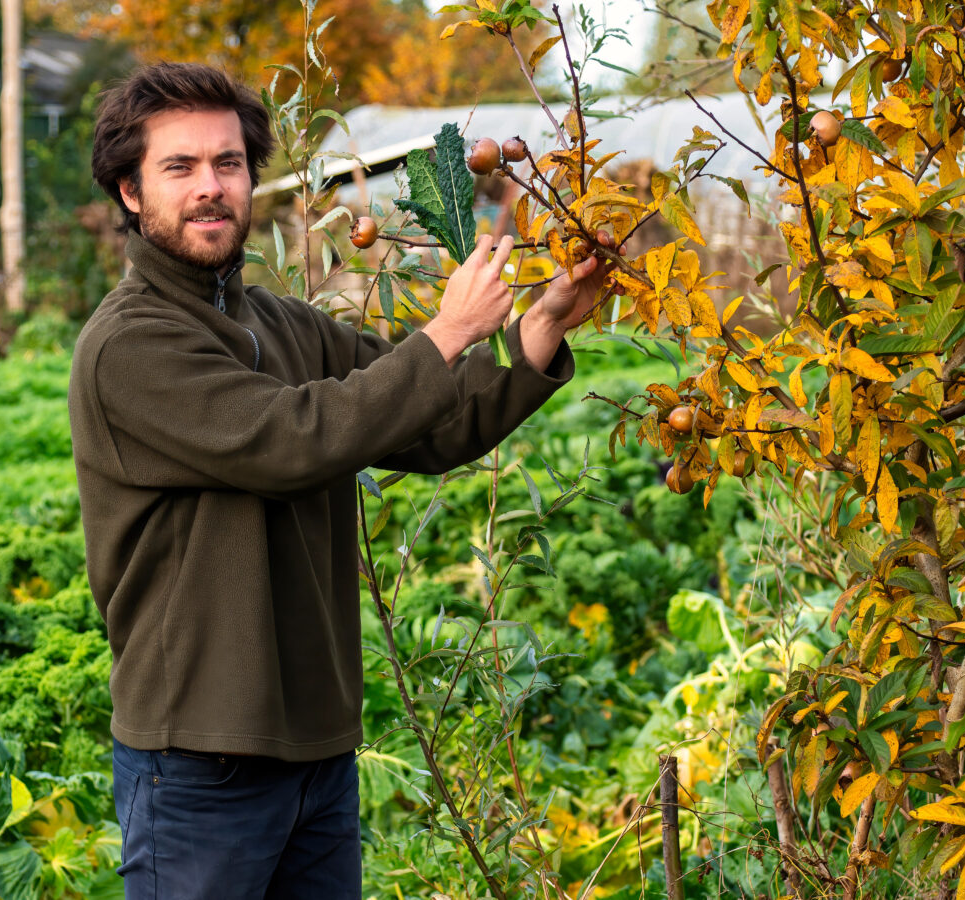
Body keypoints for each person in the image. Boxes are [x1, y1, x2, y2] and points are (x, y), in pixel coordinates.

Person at [67, 61, 609, 900]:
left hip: (316, 749)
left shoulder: (279, 323)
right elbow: (292, 442)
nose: (211, 188)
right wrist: (446, 332)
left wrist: (535, 333)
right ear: (131, 192)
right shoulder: (129, 346)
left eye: (229, 163)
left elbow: (426, 422)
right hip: (201, 760)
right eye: (180, 167)